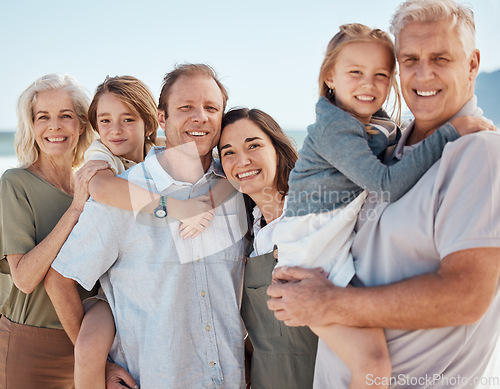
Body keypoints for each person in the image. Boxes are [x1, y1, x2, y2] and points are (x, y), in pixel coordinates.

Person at [268, 1, 500, 388]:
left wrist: (326, 303)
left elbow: (467, 297)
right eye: (409, 59)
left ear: (472, 64)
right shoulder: (390, 147)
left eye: (441, 58)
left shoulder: (480, 154)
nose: (423, 74)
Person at [45, 64, 247, 388]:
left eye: (211, 108)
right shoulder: (119, 198)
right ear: (162, 118)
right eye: (185, 107)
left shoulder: (239, 185)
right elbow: (59, 280)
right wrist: (103, 365)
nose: (200, 117)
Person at [0, 73, 109, 388]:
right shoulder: (15, 183)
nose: (54, 126)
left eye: (65, 116)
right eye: (43, 117)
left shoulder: (96, 186)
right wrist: (75, 209)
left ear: (81, 124)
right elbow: (25, 278)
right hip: (30, 347)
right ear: (32, 126)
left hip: (88, 345)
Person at [218, 107, 319, 389]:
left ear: (278, 148)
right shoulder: (250, 232)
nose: (242, 160)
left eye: (254, 145)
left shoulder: (307, 217)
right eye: (228, 152)